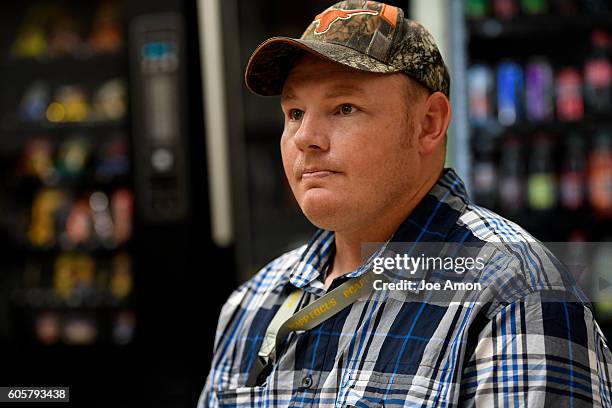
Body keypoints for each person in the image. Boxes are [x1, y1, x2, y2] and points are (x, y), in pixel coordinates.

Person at [198, 1, 612, 406]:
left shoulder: (516, 297)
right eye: (294, 113)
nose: (306, 137)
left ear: (429, 124)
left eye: (344, 108)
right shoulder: (253, 304)